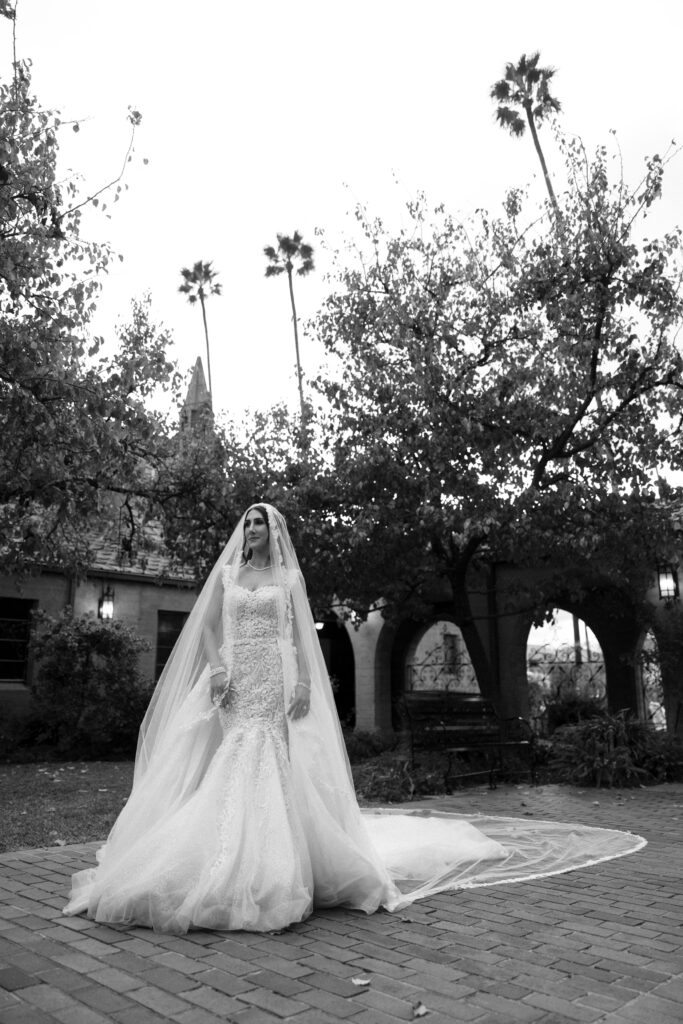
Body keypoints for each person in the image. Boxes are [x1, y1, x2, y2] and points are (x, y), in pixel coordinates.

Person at [64, 503, 646, 934]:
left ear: (276, 533)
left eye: (261, 523)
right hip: (236, 677)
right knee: (229, 755)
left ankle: (277, 865)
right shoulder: (228, 577)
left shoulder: (288, 580)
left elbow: (298, 633)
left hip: (274, 676)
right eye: (248, 524)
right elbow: (212, 628)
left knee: (265, 756)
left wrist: (297, 682)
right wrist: (217, 670)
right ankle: (216, 852)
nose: (252, 531)